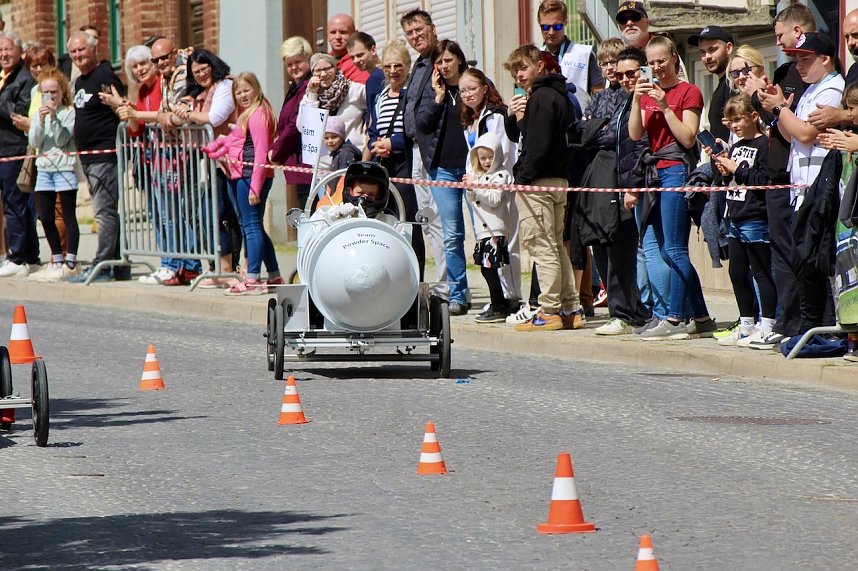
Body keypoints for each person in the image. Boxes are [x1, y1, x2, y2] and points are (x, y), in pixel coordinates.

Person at [757, 31, 844, 346]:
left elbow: (806, 134)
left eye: (806, 59)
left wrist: (782, 109)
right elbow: (792, 134)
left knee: (814, 261)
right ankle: (812, 328)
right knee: (802, 260)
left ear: (825, 58)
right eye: (796, 59)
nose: (800, 65)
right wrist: (776, 108)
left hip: (818, 187)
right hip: (801, 187)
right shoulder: (810, 89)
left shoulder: (833, 87)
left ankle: (822, 328)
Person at [628, 35, 715, 340]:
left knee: (675, 248)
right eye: (651, 64)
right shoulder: (648, 94)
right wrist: (638, 99)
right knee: (667, 249)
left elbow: (688, 138)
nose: (657, 68)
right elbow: (635, 133)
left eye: (661, 61)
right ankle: (702, 318)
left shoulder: (687, 92)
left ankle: (675, 318)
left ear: (674, 58)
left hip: (677, 170)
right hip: (656, 174)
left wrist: (666, 107)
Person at [746, 4, 816, 345]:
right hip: (782, 173)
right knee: (782, 255)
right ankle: (788, 323)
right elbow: (779, 126)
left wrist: (774, 107)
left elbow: (798, 130)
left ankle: (800, 322)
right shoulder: (787, 72)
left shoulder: (811, 77)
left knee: (796, 254)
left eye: (780, 36)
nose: (779, 45)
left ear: (798, 32)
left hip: (802, 177)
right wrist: (763, 104)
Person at [503, 44, 583, 331]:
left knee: (542, 245)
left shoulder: (542, 97)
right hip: (558, 180)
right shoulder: (556, 94)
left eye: (523, 67)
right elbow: (527, 137)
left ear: (539, 65)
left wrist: (522, 180)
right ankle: (570, 307)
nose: (519, 75)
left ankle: (549, 309)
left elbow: (535, 147)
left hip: (538, 182)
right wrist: (514, 118)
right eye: (515, 71)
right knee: (556, 245)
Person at [576, 39, 650, 335]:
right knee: (603, 242)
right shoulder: (602, 97)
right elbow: (588, 134)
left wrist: (599, 129)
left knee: (626, 247)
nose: (621, 78)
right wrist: (597, 129)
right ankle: (626, 309)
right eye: (615, 72)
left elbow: (617, 136)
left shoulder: (640, 97)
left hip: (629, 176)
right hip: (602, 175)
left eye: (627, 73)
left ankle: (627, 311)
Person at [705, 95, 777, 347]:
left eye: (738, 120)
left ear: (753, 117)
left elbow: (763, 179)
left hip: (755, 217)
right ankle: (746, 324)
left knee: (761, 271)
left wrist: (736, 169)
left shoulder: (764, 144)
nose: (734, 126)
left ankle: (768, 324)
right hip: (734, 214)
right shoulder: (735, 147)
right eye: (731, 122)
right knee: (737, 272)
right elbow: (732, 181)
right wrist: (725, 171)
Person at [201, 72, 282, 296]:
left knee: (251, 227)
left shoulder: (258, 114)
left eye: (247, 90)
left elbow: (261, 152)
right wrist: (217, 146)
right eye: (238, 92)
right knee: (255, 227)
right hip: (243, 176)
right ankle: (274, 275)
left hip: (250, 177)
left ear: (256, 89)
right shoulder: (247, 114)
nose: (243, 95)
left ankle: (253, 278)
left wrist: (255, 187)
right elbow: (236, 139)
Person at [173, 48, 241, 287]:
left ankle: (232, 269)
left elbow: (215, 117)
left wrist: (190, 114)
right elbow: (176, 116)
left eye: (204, 69)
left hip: (230, 159)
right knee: (206, 213)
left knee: (228, 215)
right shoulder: (196, 93)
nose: (201, 74)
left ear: (213, 65)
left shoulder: (225, 86)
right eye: (196, 72)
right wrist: (183, 113)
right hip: (210, 159)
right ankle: (218, 267)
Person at [416, 39, 471, 316]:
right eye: (440, 62)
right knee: (452, 235)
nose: (445, 65)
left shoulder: (472, 85)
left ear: (459, 60)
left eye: (449, 60)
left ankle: (502, 296)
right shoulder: (432, 90)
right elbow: (421, 125)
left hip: (473, 169)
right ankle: (459, 295)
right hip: (443, 169)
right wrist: (438, 97)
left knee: (489, 233)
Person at [460, 67, 521, 311]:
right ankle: (499, 298)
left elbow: (503, 155)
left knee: (505, 244)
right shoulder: (472, 118)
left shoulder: (496, 116)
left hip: (497, 188)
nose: (467, 94)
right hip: (477, 188)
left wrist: (492, 183)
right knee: (488, 247)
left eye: (472, 88)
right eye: (463, 90)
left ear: (485, 88)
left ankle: (512, 297)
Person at [366, 39, 425, 277]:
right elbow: (372, 128)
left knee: (408, 221)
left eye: (398, 65)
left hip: (405, 164)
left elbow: (416, 132)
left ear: (408, 66)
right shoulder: (380, 96)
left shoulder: (412, 95)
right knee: (384, 218)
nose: (393, 71)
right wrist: (375, 144)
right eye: (388, 66)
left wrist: (394, 143)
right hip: (384, 164)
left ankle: (416, 274)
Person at [400, 8, 447, 303]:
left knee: (440, 223)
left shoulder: (442, 59)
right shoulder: (418, 65)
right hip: (416, 152)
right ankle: (439, 284)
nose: (416, 36)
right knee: (426, 221)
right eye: (410, 33)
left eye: (419, 30)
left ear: (432, 28)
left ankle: (446, 288)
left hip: (436, 151)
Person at [25, 68, 80, 282]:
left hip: (64, 168)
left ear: (61, 91)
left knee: (67, 216)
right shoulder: (39, 113)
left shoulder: (68, 111)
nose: (50, 96)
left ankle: (71, 262)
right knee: (45, 217)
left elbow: (62, 139)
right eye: (45, 92)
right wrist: (39, 120)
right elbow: (35, 142)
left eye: (53, 92)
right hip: (44, 169)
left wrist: (55, 117)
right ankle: (57, 259)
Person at [462, 133, 514, 323]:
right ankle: (497, 303)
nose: (486, 161)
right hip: (483, 230)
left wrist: (475, 188)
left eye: (490, 157)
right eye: (482, 158)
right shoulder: (481, 176)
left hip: (495, 229)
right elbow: (473, 199)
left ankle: (498, 305)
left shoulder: (501, 175)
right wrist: (470, 188)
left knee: (490, 268)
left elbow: (494, 199)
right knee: (486, 269)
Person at [0, 32, 38, 278]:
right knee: (11, 205)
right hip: (2, 149)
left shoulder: (25, 79)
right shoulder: (4, 77)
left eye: (8, 50)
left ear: (19, 51)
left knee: (16, 205)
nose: (3, 55)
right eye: (0, 51)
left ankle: (18, 256)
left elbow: (20, 114)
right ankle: (29, 256)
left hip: (14, 150)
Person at [300, 53, 367, 170]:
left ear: (335, 68)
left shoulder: (354, 90)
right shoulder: (310, 96)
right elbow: (303, 127)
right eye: (318, 70)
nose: (323, 74)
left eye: (327, 68)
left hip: (351, 160)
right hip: (322, 166)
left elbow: (375, 107)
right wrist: (312, 96)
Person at [270, 36, 313, 209]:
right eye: (289, 64)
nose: (294, 67)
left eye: (298, 62)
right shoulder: (295, 86)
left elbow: (294, 125)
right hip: (298, 162)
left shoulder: (309, 86)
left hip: (308, 161)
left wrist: (276, 151)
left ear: (308, 59)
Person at [536, 0, 603, 111]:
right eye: (545, 27)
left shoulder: (584, 53)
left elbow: (599, 93)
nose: (551, 32)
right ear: (539, 23)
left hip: (579, 121)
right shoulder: (535, 57)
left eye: (557, 26)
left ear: (565, 22)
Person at [807, 8, 858, 131]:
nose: (850, 42)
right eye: (846, 37)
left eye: (856, 35)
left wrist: (839, 115)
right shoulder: (854, 70)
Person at [615, 1, 687, 80]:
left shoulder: (663, 47)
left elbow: (681, 83)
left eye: (635, 17)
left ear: (647, 21)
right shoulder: (617, 53)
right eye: (623, 20)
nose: (629, 23)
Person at [689, 25, 734, 144]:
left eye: (712, 50)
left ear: (728, 48)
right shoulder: (722, 85)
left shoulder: (734, 84)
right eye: (703, 52)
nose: (707, 57)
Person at [346, 31, 384, 129]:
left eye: (360, 55)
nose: (356, 61)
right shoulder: (378, 75)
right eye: (352, 57)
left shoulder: (376, 78)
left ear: (373, 50)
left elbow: (374, 115)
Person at [327, 13, 369, 84]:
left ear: (355, 34)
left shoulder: (361, 62)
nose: (337, 37)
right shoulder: (323, 61)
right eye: (333, 32)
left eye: (343, 32)